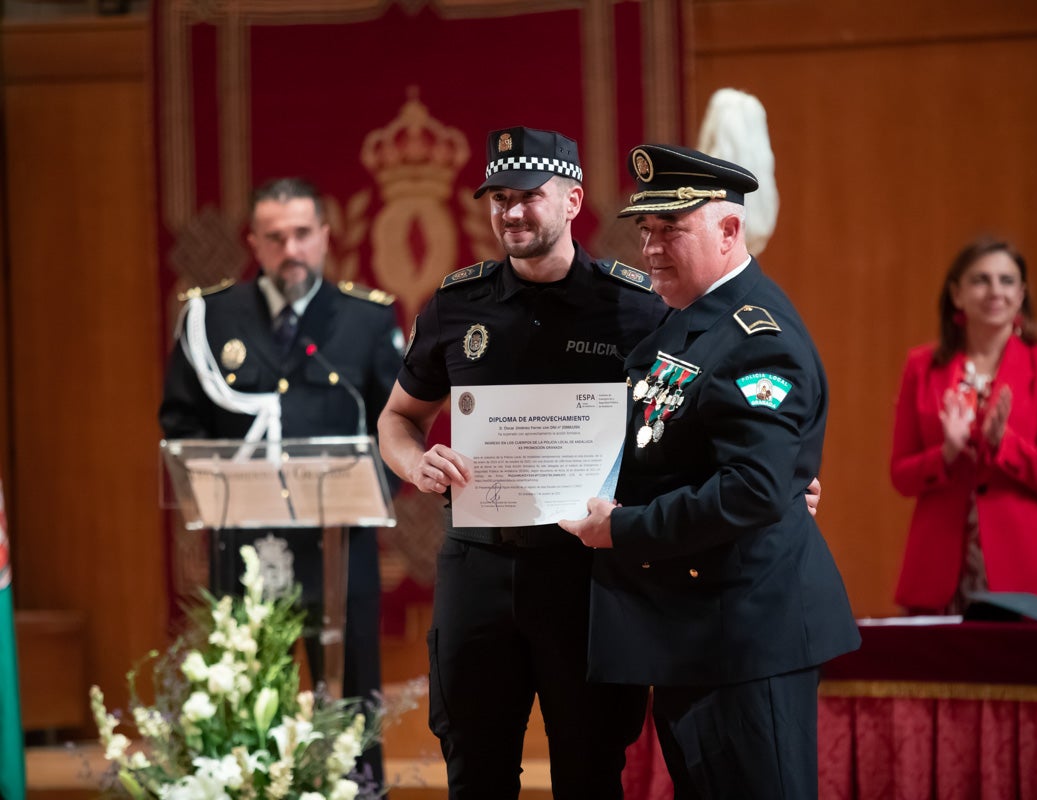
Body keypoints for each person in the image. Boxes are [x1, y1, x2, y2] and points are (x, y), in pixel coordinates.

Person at [560, 144, 860, 800]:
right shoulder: (691, 322)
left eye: (671, 230)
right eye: (646, 230)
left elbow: (753, 488)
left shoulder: (757, 339)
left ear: (729, 230)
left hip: (747, 638)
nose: (651, 249)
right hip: (699, 634)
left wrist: (624, 529)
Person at [376, 126, 666, 800]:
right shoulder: (458, 305)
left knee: (590, 770)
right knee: (474, 771)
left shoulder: (635, 305)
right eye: (499, 198)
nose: (511, 212)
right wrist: (416, 465)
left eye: (529, 196)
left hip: (587, 572)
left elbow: (681, 421)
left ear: (572, 201)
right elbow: (396, 419)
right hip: (480, 565)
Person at [159, 176, 401, 783]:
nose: (290, 250)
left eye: (301, 234)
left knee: (350, 706)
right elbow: (180, 422)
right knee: (248, 702)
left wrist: (367, 493)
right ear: (253, 243)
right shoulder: (211, 317)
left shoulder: (366, 319)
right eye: (275, 238)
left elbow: (397, 426)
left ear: (325, 235)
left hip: (339, 547)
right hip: (245, 547)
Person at [890, 236, 1037, 614]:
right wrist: (946, 453)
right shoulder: (922, 367)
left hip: (1025, 570)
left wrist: (1004, 443)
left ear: (1021, 295)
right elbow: (901, 475)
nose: (995, 291)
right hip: (940, 571)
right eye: (980, 280)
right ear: (956, 295)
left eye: (1007, 281)